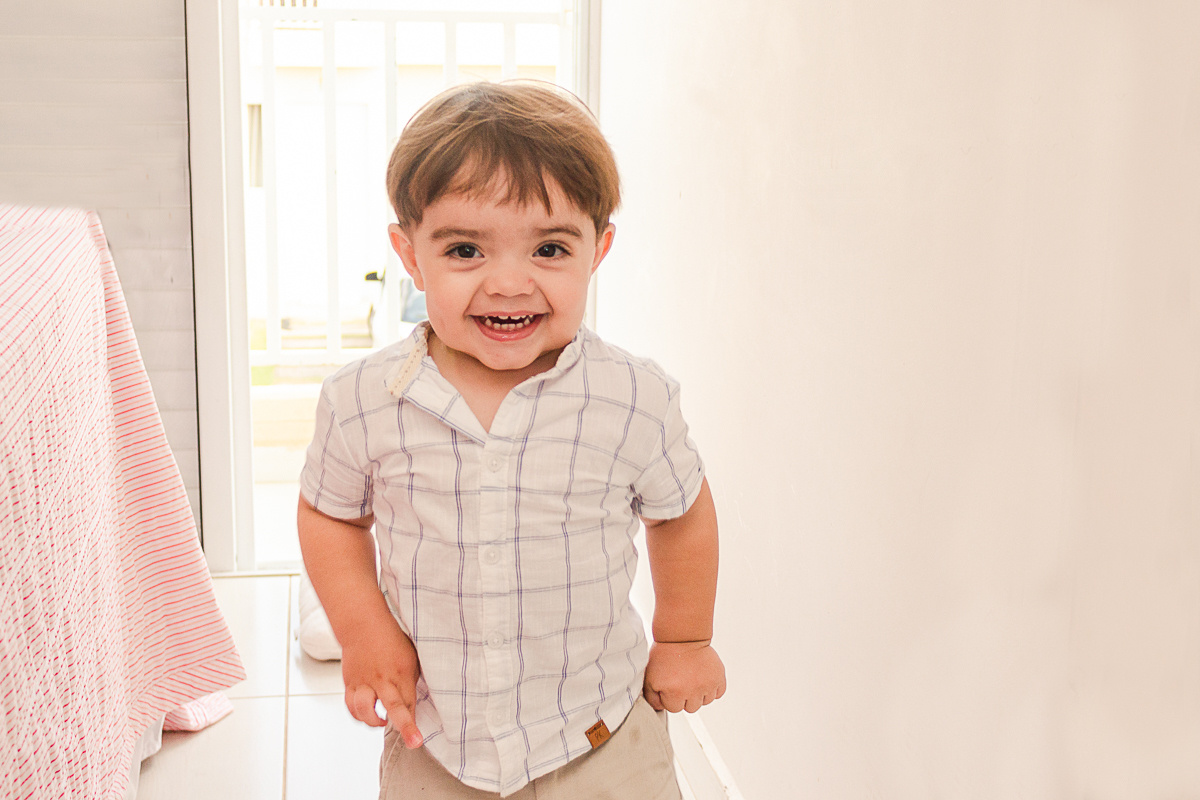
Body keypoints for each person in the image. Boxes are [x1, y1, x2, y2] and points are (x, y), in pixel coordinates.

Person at [297, 80, 725, 800]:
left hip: (601, 738)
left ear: (598, 250)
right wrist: (364, 630)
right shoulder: (362, 400)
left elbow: (680, 511)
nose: (508, 282)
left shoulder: (634, 398)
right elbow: (330, 514)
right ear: (409, 254)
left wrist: (684, 638)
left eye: (550, 248)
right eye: (465, 249)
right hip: (437, 742)